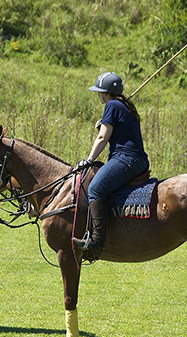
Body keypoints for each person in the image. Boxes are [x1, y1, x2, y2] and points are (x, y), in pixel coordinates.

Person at [73, 72, 150, 258]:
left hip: (126, 158)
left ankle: (97, 242)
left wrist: (89, 160)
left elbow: (102, 137)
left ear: (105, 93)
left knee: (95, 189)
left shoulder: (112, 105)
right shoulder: (123, 106)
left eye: (100, 92)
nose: (99, 95)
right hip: (136, 159)